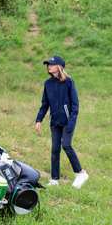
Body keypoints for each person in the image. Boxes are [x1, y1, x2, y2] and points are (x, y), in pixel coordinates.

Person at [35, 56, 89, 188]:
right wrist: (39, 120)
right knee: (55, 150)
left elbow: (75, 105)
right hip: (55, 122)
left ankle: (80, 173)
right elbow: (45, 104)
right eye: (48, 64)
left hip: (68, 121)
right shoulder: (48, 84)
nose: (49, 66)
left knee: (66, 145)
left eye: (51, 64)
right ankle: (54, 180)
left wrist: (71, 122)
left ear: (59, 67)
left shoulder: (69, 82)